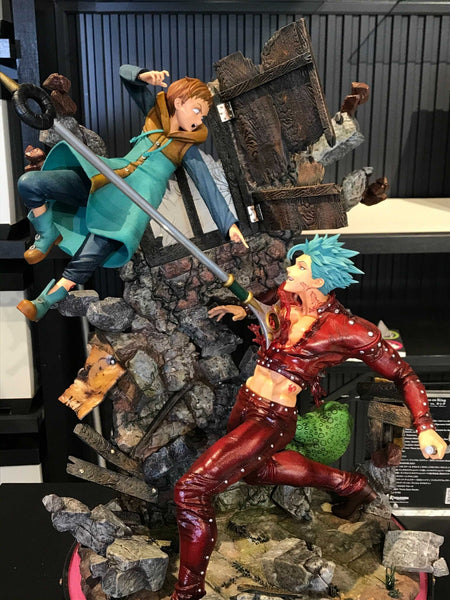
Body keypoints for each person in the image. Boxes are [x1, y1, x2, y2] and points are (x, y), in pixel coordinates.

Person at [171, 234, 447, 600]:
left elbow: (403, 374)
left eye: (300, 267)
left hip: (271, 419)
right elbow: (266, 307)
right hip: (245, 403)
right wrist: (245, 309)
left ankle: (188, 592)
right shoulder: (288, 297)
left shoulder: (348, 329)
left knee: (190, 491)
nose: (290, 270)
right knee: (255, 473)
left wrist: (425, 426)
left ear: (318, 280)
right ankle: (350, 485)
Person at [16, 65, 246, 321]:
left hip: (132, 205)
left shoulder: (187, 148)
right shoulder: (156, 115)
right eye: (197, 110)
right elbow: (126, 75)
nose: (200, 119)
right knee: (30, 183)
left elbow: (208, 186)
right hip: (106, 177)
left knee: (94, 250)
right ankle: (47, 232)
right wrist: (142, 75)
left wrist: (229, 225)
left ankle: (46, 299)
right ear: (179, 102)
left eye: (203, 115)